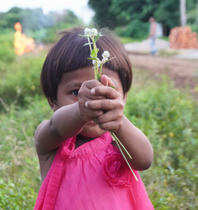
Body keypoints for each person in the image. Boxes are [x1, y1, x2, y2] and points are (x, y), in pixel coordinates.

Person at [34, 27, 154, 210]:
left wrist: (120, 125)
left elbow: (144, 160)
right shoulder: (52, 143)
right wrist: (80, 111)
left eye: (107, 90)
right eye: (76, 92)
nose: (93, 100)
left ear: (123, 97)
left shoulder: (120, 141)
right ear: (53, 101)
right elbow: (55, 127)